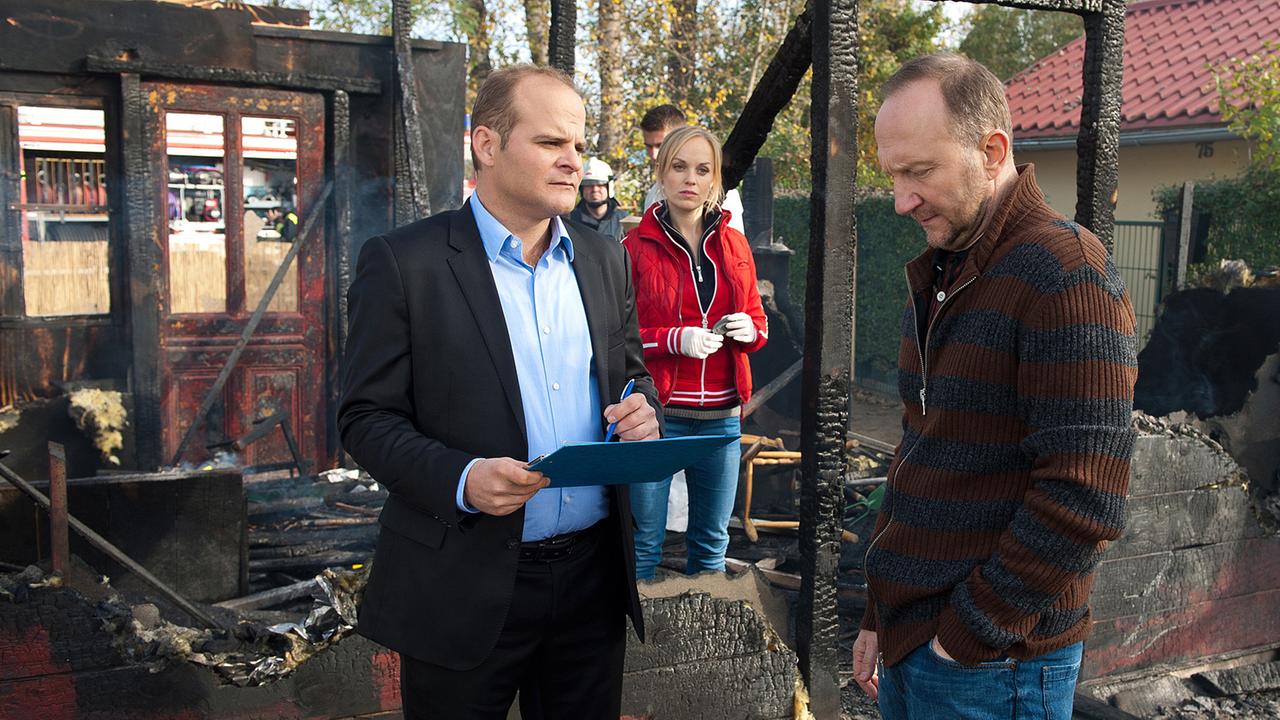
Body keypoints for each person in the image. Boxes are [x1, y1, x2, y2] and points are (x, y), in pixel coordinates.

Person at [338, 64, 662, 719]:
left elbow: (633, 374)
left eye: (577, 145)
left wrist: (641, 411)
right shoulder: (405, 263)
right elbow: (364, 417)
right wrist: (461, 477)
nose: (574, 161)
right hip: (461, 582)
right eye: (551, 144)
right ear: (487, 145)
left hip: (593, 584)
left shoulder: (606, 258)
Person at [851, 52, 1138, 719]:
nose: (901, 200)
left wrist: (968, 636)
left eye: (919, 171)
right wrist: (880, 610)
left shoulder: (1066, 273)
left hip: (990, 664)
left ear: (991, 150)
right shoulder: (946, 271)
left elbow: (1085, 495)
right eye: (893, 175)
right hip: (917, 641)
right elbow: (922, 453)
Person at [622, 125, 767, 580]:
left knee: (712, 542)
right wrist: (674, 339)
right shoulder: (633, 248)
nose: (690, 179)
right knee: (644, 541)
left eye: (702, 170)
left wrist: (748, 330)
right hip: (658, 415)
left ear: (714, 180)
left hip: (722, 415)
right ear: (661, 172)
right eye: (679, 166)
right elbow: (617, 340)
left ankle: (705, 647)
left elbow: (758, 324)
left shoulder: (735, 243)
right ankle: (641, 648)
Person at [639, 105, 745, 235]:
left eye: (661, 145)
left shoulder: (723, 192)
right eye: (649, 146)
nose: (654, 155)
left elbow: (733, 249)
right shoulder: (653, 194)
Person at [567, 157, 626, 241]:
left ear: (609, 187)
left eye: (600, 184)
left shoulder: (623, 221)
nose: (595, 189)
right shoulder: (569, 221)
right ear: (581, 189)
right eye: (589, 184)